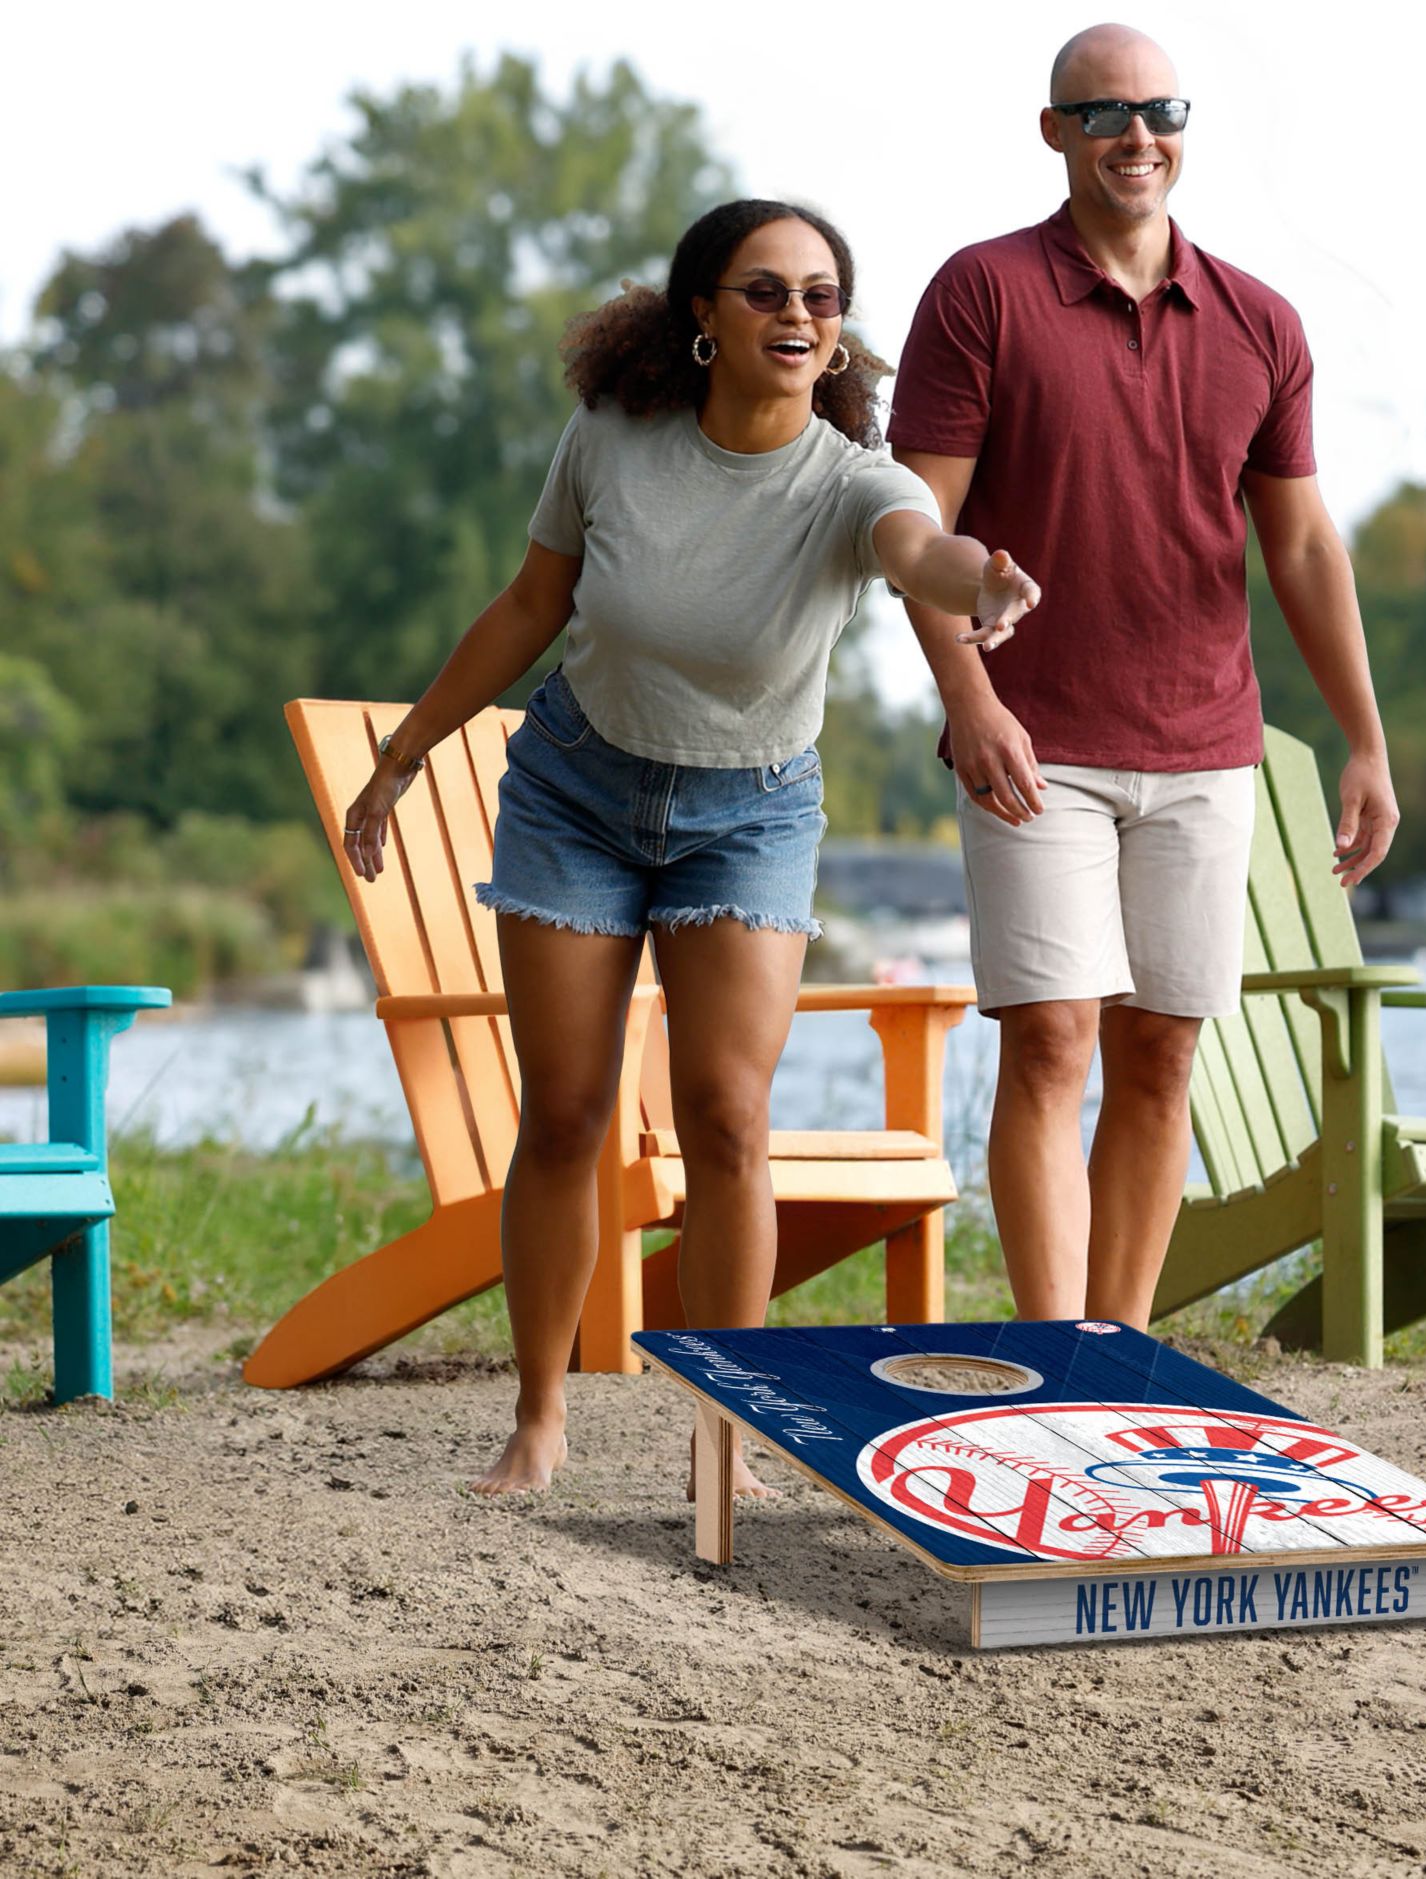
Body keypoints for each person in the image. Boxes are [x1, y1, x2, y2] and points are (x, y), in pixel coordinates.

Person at [339, 199, 1041, 1496]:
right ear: (704, 318)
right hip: (575, 795)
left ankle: (729, 1430)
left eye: (820, 298)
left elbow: (917, 553)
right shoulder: (613, 439)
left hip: (751, 814)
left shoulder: (852, 481)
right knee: (565, 1114)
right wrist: (409, 749)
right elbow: (532, 604)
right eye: (765, 292)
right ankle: (541, 1418)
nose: (796, 316)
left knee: (728, 1118)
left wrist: (978, 586)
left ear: (837, 338)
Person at [889, 25, 1398, 1329]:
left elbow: (1299, 543)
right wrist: (971, 701)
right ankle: (1055, 1350)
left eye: (1159, 109)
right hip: (1035, 739)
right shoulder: (981, 293)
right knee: (1053, 1039)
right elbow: (913, 532)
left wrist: (1363, 741)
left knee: (1162, 1051)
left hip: (1205, 744)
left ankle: (1119, 1352)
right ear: (1053, 131)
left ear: (1184, 126)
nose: (1136, 135)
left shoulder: (1260, 323)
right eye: (1104, 113)